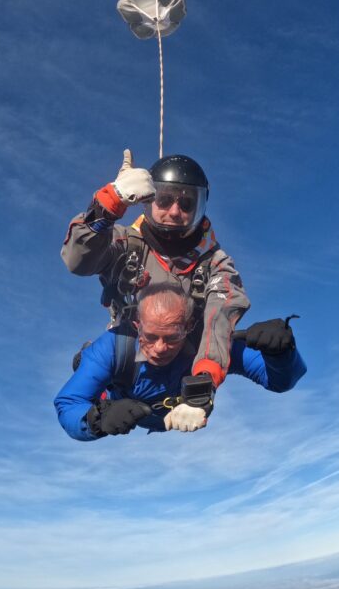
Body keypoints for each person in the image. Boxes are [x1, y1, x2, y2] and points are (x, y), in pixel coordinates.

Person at [61, 150, 250, 396]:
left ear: (199, 207)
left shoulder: (214, 263)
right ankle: (105, 386)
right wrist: (109, 203)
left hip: (185, 363)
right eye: (164, 200)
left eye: (186, 203)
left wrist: (204, 378)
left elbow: (221, 314)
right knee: (94, 383)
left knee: (259, 351)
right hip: (130, 356)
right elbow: (78, 261)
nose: (174, 211)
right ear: (148, 202)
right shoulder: (126, 243)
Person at [54, 284, 305, 441]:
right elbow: (68, 404)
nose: (160, 348)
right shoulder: (113, 347)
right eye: (150, 337)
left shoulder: (209, 344)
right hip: (119, 398)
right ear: (136, 327)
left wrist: (281, 352)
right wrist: (97, 420)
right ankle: (84, 363)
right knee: (92, 379)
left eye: (173, 337)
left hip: (157, 409)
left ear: (190, 327)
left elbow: (280, 382)